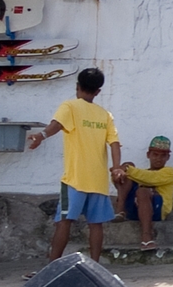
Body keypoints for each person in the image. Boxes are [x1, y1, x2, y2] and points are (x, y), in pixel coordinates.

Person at [27, 67, 121, 262]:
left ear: (77, 87)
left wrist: (41, 136)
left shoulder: (69, 106)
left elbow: (56, 125)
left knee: (64, 221)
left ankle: (52, 267)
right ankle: (95, 266)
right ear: (98, 92)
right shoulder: (105, 115)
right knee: (96, 225)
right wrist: (116, 167)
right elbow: (114, 143)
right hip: (98, 180)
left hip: (75, 179)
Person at [112, 136, 173, 252]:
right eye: (155, 155)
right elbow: (120, 183)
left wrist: (126, 169)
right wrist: (119, 173)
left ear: (168, 157)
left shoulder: (170, 172)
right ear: (148, 155)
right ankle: (120, 209)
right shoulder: (139, 174)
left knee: (141, 190)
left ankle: (146, 237)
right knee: (128, 170)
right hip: (134, 209)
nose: (158, 159)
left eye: (163, 156)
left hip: (157, 211)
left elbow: (151, 178)